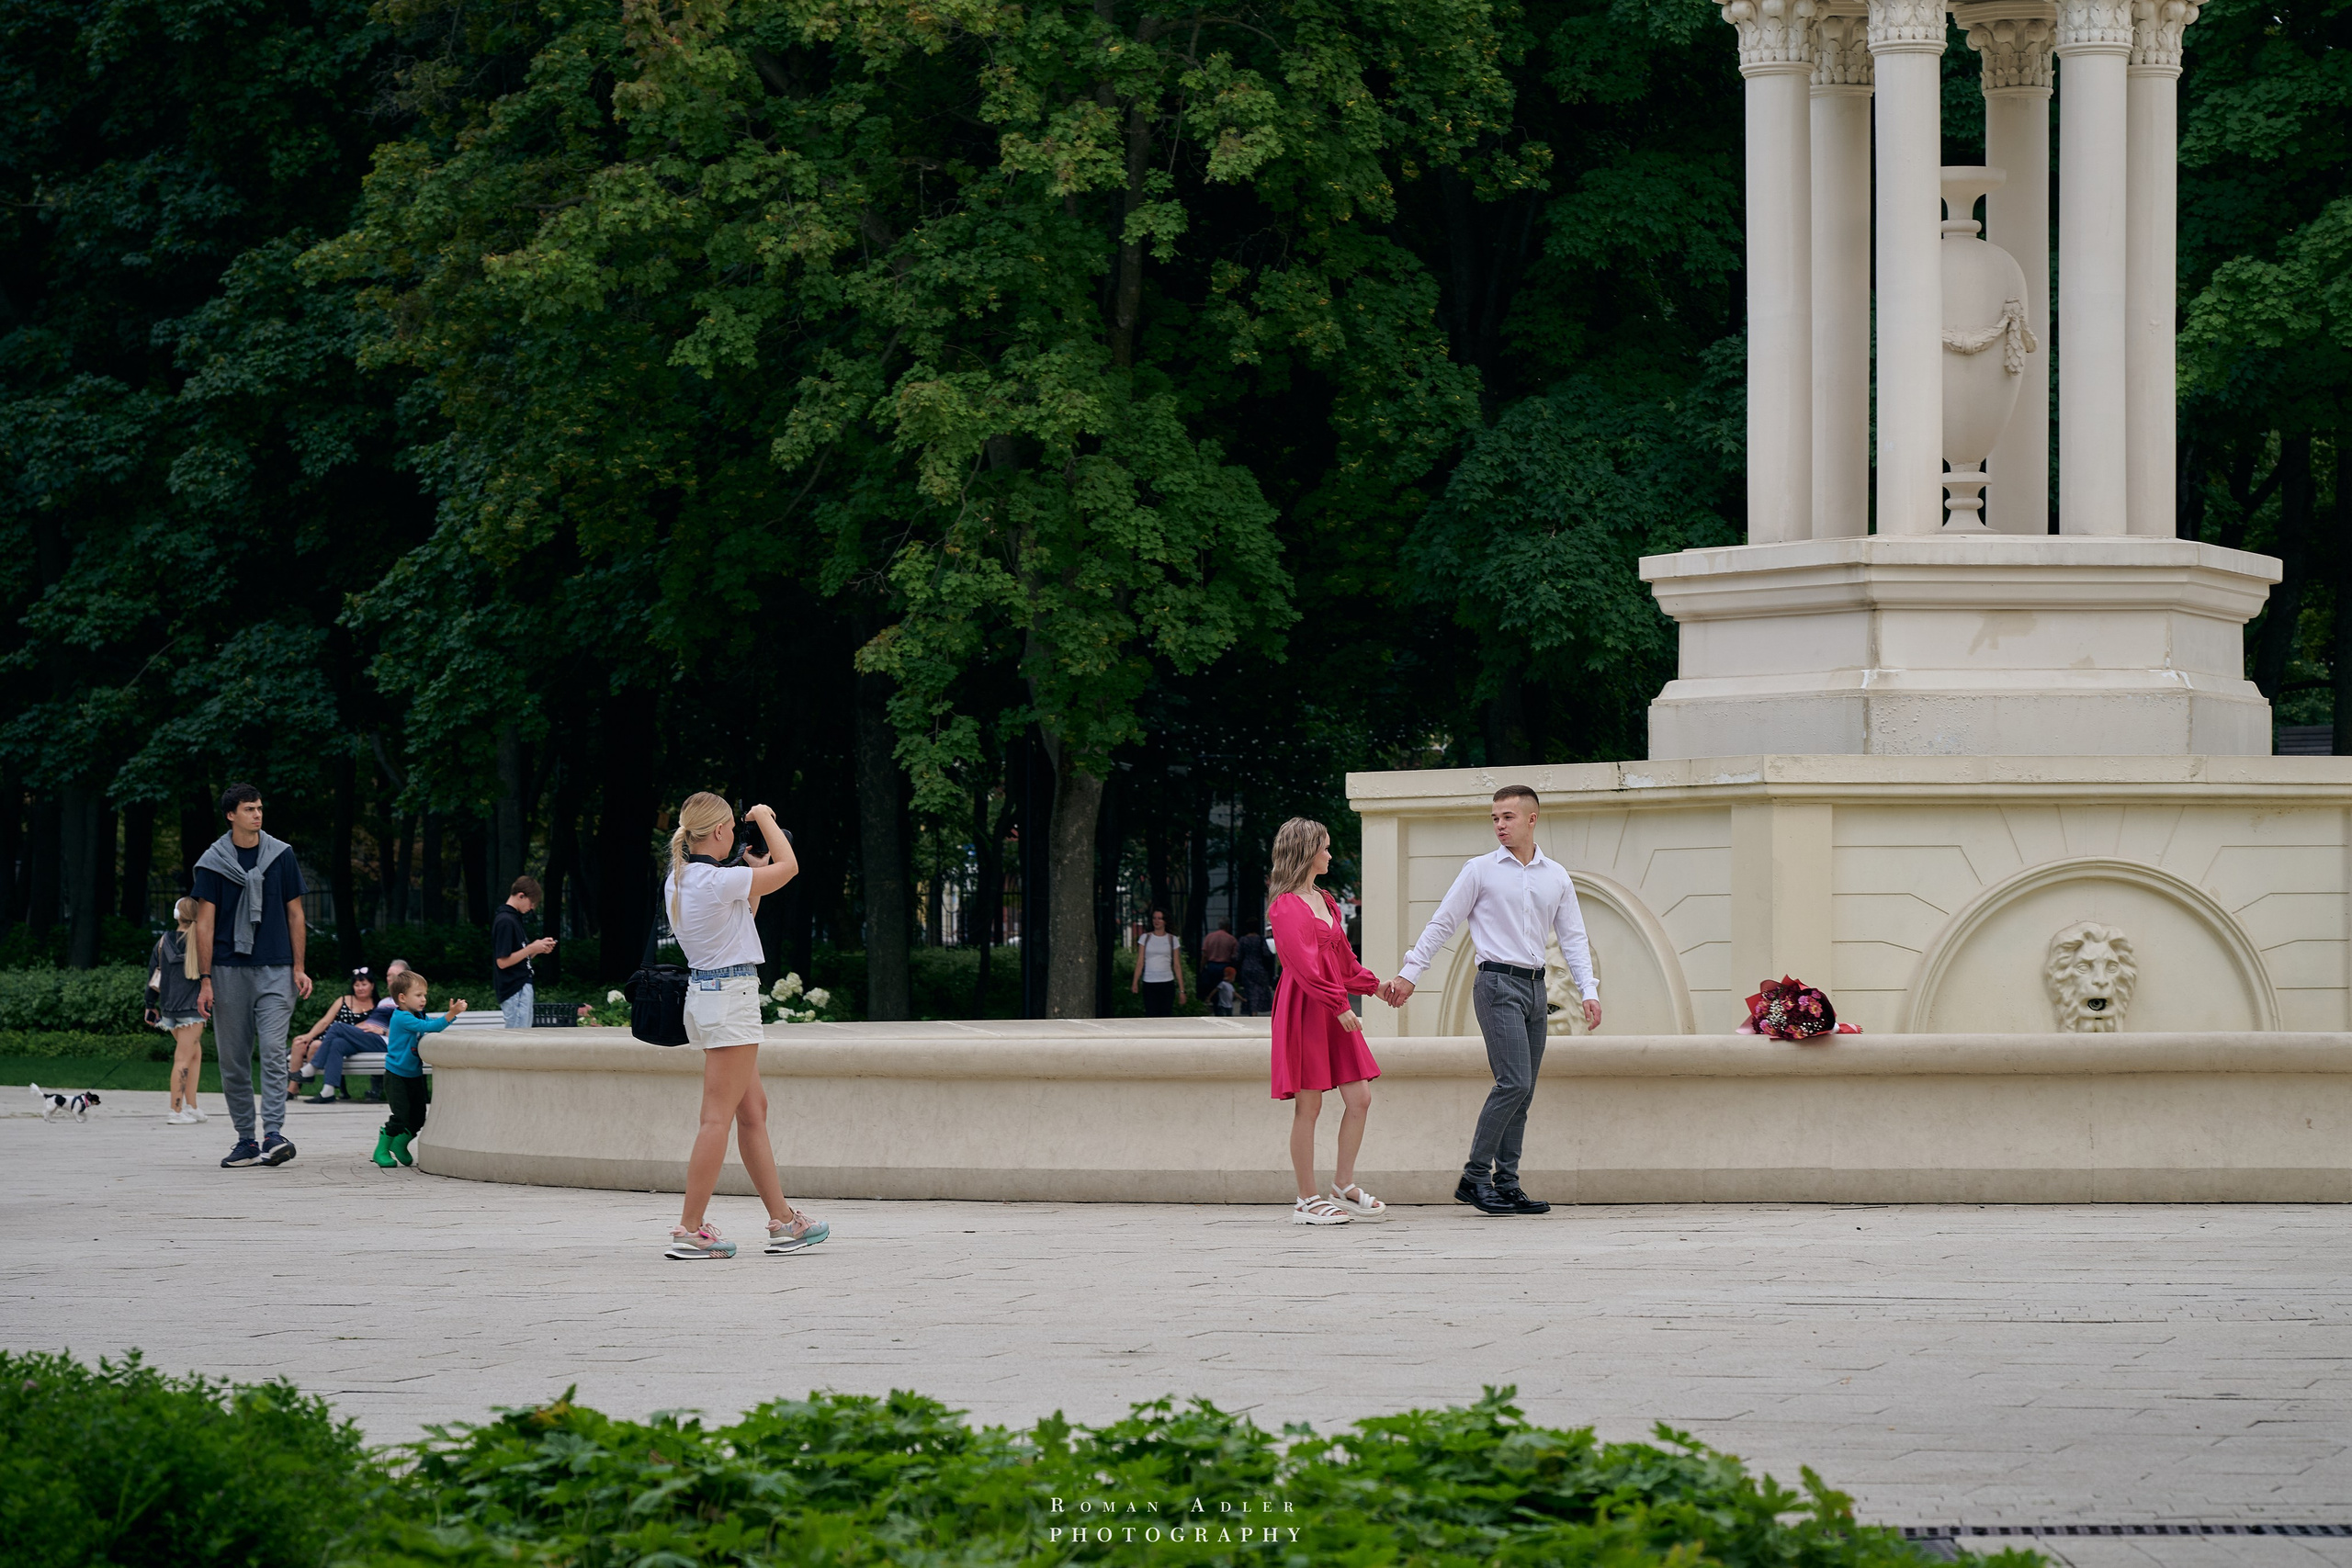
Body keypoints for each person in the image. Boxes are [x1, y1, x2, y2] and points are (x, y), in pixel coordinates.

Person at [1383, 784, 1600, 1217]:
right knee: (1513, 1083)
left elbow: (1574, 937)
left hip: (1537, 989)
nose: (1500, 825)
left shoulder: (1555, 875)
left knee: (1524, 1091)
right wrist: (1410, 974)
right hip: (1497, 984)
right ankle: (1475, 1177)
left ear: (1531, 819)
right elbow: (1442, 923)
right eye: (1495, 818)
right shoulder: (1479, 870)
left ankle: (1508, 1183)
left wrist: (1588, 990)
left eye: (1508, 817)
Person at [662, 793, 828, 1260]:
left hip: (710, 997)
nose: (737, 833)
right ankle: (690, 1228)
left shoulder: (681, 879)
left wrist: (749, 876)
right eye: (733, 827)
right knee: (716, 1119)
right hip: (731, 999)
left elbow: (737, 922)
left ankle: (784, 1221)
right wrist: (766, 818)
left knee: (752, 1111)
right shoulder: (717, 880)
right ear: (718, 832)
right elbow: (790, 867)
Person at [1265, 818, 1386, 1225]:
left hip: (1334, 1006)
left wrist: (1375, 987)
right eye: (1326, 848)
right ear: (1307, 852)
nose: (1331, 855)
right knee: (1309, 1104)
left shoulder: (1326, 899)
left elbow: (1342, 962)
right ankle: (1305, 1200)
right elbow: (1302, 966)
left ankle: (1342, 1185)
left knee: (1360, 1098)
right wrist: (1340, 1005)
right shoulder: (1284, 906)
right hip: (1305, 1008)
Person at [192, 783, 312, 1168]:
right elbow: (204, 925)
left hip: (277, 968)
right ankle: (246, 1139)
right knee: (233, 1060)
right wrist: (206, 979)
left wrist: (299, 966)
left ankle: (273, 1134)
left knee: (275, 1051)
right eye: (249, 809)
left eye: (260, 808)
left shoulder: (282, 856)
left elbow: (296, 914)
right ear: (231, 815)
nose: (257, 814)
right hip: (228, 970)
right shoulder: (213, 862)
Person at [375, 969, 462, 1168]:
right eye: (418, 995)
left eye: (425, 995)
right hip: (396, 1075)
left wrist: (449, 1017)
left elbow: (430, 1023)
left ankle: (400, 1144)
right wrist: (452, 1014)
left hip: (414, 1074)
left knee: (418, 1117)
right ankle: (381, 1149)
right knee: (401, 1115)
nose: (423, 999)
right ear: (402, 998)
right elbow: (430, 1027)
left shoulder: (416, 1014)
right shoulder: (402, 1017)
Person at [145, 897, 208, 1123]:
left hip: (170, 1009)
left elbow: (154, 974)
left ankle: (191, 1106)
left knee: (194, 1054)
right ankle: (176, 1111)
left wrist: (150, 1005)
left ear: (176, 915)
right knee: (183, 1058)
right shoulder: (202, 940)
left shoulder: (163, 941)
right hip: (192, 1010)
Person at [289, 967, 390, 1103]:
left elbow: (395, 1025)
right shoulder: (346, 1000)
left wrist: (383, 1031)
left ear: (372, 985)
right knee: (337, 1043)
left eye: (364, 984)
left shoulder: (381, 1004)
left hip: (369, 1039)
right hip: (344, 1038)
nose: (360, 988)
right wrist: (309, 1035)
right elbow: (325, 1021)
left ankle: (311, 1069)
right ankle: (327, 1092)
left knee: (337, 1027)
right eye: (356, 985)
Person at [493, 875, 557, 1029]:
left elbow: (519, 957)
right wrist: (530, 948)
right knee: (518, 1037)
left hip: (520, 985)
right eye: (531, 902)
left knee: (523, 1035)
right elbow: (502, 962)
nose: (532, 907)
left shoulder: (514, 919)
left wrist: (537, 949)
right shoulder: (506, 921)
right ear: (521, 895)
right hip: (514, 987)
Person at [1129, 908, 1186, 1016]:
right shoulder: (1145, 938)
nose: (1156, 921)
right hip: (1149, 982)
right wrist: (1135, 982)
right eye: (1154, 918)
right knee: (1151, 1014)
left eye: (1160, 918)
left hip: (1167, 982)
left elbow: (1177, 965)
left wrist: (1182, 990)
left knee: (1166, 1014)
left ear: (1165, 921)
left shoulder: (1172, 939)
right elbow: (1140, 962)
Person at [1235, 923, 1276, 1017]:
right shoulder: (1261, 939)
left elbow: (1239, 956)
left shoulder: (1243, 940)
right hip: (1259, 967)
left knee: (1249, 990)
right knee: (1258, 989)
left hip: (1246, 967)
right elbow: (1266, 953)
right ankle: (1256, 1009)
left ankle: (1251, 1009)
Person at [1200, 920, 1238, 1000]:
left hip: (1212, 965)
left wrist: (1202, 966)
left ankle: (1215, 1004)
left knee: (1214, 987)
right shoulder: (1231, 939)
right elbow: (1234, 956)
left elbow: (1205, 954)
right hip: (1225, 966)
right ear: (1228, 927)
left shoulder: (1209, 937)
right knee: (1225, 988)